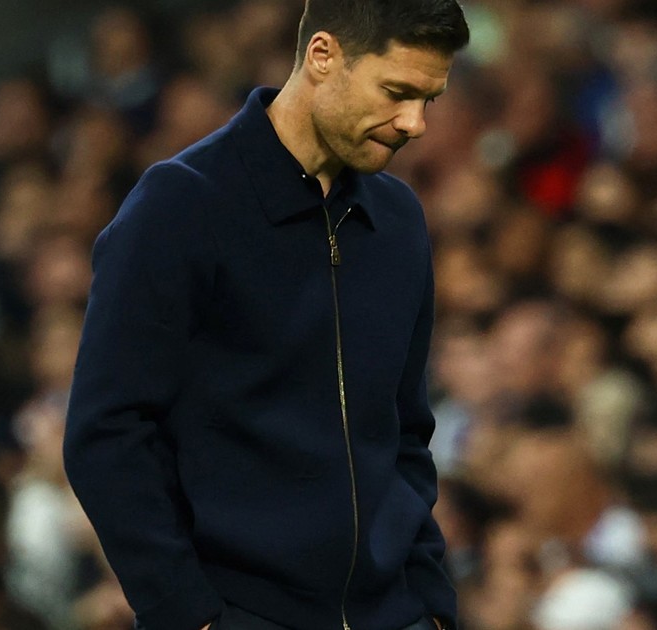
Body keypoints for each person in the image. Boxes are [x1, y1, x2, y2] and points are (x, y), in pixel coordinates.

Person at [61, 1, 470, 630]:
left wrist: (431, 601)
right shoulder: (180, 206)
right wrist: (188, 613)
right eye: (396, 93)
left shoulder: (398, 219)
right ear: (323, 55)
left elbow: (406, 431)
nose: (414, 124)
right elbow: (107, 431)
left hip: (396, 613)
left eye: (428, 100)